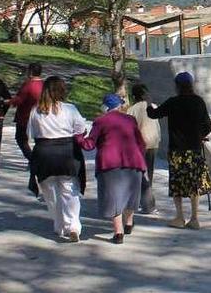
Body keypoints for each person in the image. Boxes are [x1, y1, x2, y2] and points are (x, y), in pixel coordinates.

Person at [75, 94, 147, 244]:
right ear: (119, 106)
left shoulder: (100, 121)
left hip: (109, 162)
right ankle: (129, 224)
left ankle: (118, 232)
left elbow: (89, 145)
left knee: (114, 196)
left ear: (105, 106)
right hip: (133, 160)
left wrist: (79, 136)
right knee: (131, 194)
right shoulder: (130, 119)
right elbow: (141, 142)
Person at [147, 72, 211, 230]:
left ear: (177, 86)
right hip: (195, 149)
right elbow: (208, 126)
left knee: (177, 183)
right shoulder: (198, 102)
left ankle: (180, 217)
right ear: (191, 85)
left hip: (177, 150)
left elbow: (153, 114)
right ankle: (195, 218)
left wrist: (149, 103)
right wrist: (199, 136)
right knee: (194, 183)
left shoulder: (173, 102)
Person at [28, 76, 87, 242]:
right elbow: (80, 129)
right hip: (66, 152)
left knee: (50, 191)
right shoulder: (70, 109)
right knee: (70, 190)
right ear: (62, 91)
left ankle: (59, 224)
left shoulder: (36, 110)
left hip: (44, 152)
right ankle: (73, 225)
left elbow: (31, 134)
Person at [126, 84, 161, 214]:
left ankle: (145, 202)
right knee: (149, 173)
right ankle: (147, 200)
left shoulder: (132, 110)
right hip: (153, 142)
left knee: (139, 173)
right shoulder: (153, 106)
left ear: (134, 95)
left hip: (139, 144)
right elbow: (156, 125)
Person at [8, 63, 43, 160]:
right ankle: (39, 158)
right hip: (41, 116)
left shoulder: (28, 85)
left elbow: (19, 99)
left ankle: (32, 159)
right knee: (39, 140)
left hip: (25, 117)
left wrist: (8, 102)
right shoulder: (44, 85)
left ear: (30, 72)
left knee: (21, 139)